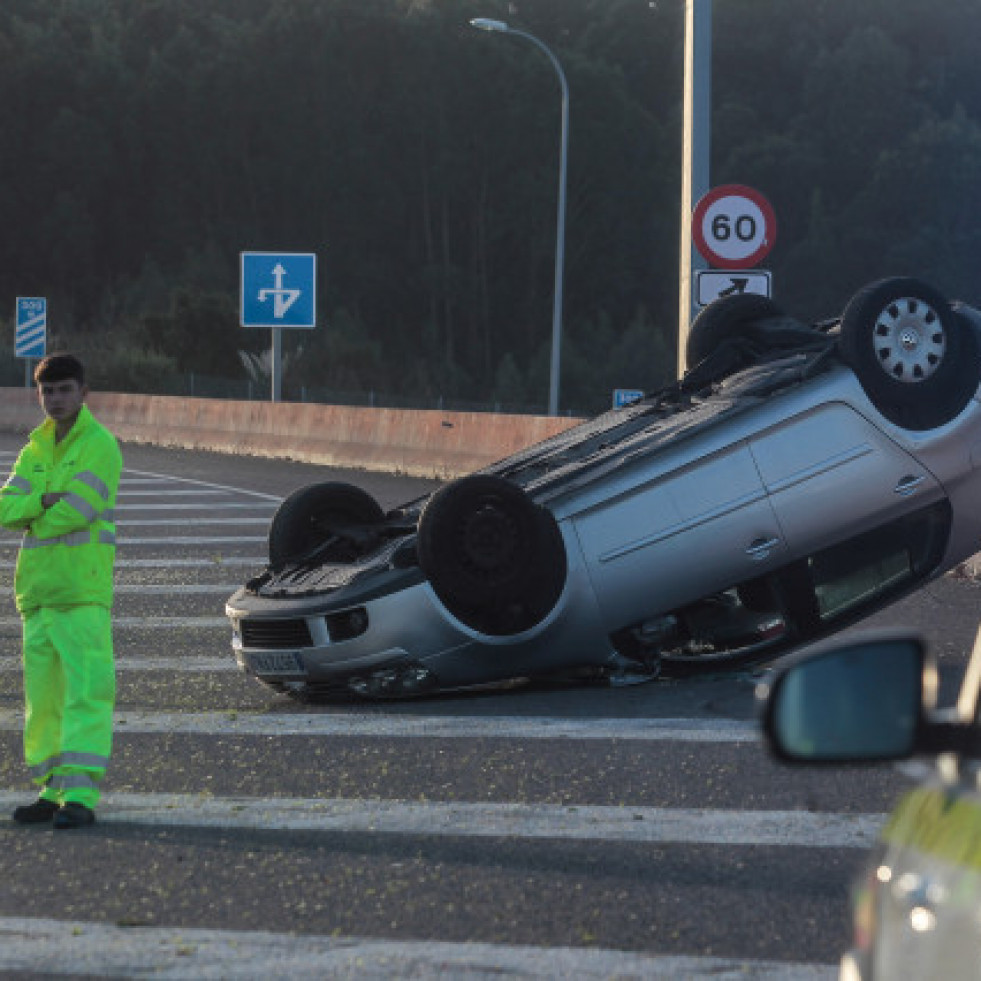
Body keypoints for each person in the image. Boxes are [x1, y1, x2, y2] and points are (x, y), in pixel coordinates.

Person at [0, 353, 122, 829]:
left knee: (86, 694)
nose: (55, 399)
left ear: (83, 391)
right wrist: (39, 501)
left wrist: (36, 508)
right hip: (38, 593)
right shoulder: (35, 449)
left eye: (64, 389)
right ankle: (51, 791)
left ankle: (81, 796)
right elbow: (5, 509)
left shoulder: (101, 446)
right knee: (44, 701)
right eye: (47, 391)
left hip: (81, 592)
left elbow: (79, 509)